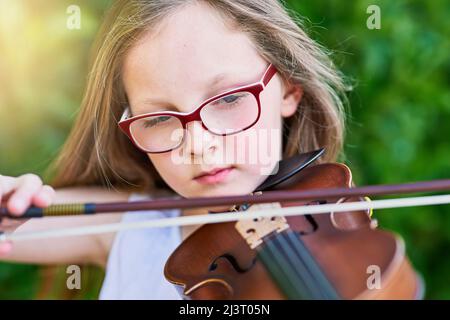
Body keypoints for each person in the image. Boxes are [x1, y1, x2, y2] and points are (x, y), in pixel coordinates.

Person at [0, 0, 348, 299]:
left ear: (288, 88)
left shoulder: (344, 237)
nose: (197, 145)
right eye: (157, 119)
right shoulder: (132, 230)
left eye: (228, 98)